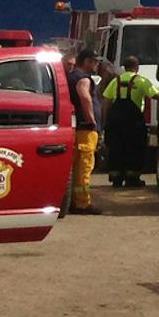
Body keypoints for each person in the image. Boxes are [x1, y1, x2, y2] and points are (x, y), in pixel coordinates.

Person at [100, 54, 157, 189]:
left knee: (116, 148)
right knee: (134, 148)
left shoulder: (115, 81)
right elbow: (156, 95)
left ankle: (116, 179)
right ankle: (132, 178)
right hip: (133, 121)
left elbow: (106, 102)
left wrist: (105, 121)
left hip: (115, 120)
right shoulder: (142, 81)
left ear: (124, 67)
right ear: (137, 68)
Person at [66, 47, 102, 215]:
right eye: (95, 61)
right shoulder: (83, 78)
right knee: (85, 166)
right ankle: (83, 203)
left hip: (75, 127)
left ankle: (72, 200)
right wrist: (91, 120)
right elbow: (85, 97)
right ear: (87, 61)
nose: (96, 65)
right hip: (85, 129)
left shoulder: (70, 76)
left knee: (74, 166)